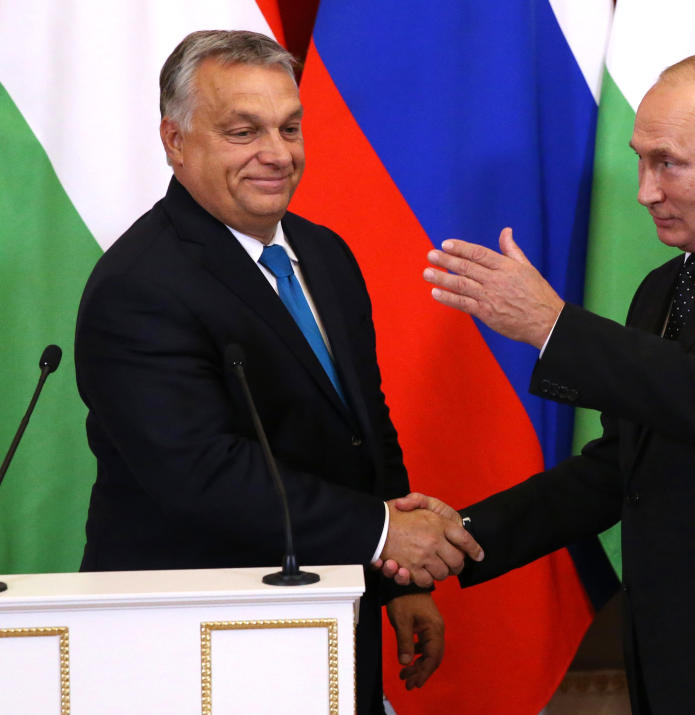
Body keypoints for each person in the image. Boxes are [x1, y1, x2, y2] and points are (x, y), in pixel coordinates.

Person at [389, 53, 695, 713]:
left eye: (668, 162)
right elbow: (619, 469)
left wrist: (553, 327)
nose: (644, 190)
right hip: (673, 661)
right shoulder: (663, 289)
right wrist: (461, 534)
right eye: (641, 159)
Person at [74, 30, 481, 713]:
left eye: (290, 127)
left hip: (325, 622)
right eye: (243, 131)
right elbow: (201, 473)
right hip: (194, 643)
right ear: (175, 142)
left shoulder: (323, 253)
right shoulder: (139, 284)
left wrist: (400, 577)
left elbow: (365, 429)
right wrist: (383, 532)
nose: (278, 153)